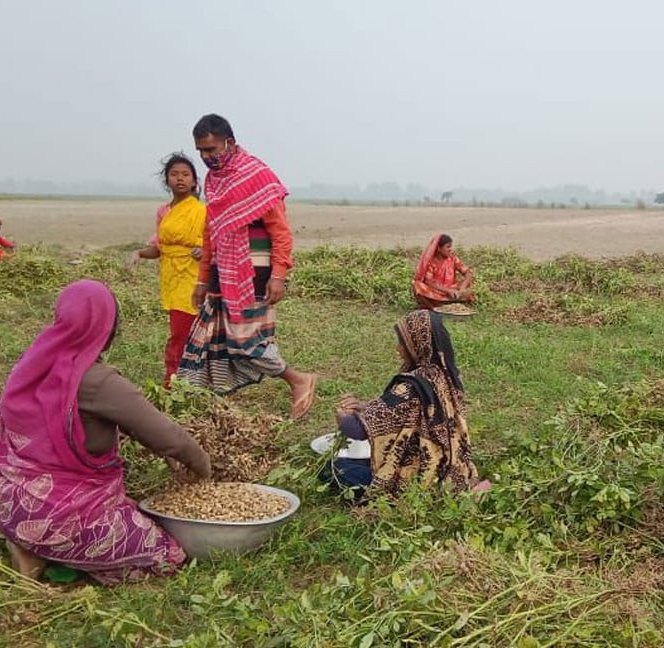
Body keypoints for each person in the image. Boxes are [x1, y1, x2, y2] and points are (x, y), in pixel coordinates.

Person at [0, 280, 211, 584]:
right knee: (166, 556)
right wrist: (202, 467)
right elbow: (170, 437)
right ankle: (58, 553)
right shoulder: (97, 381)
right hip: (61, 517)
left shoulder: (31, 366)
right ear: (108, 327)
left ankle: (30, 544)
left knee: (131, 509)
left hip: (13, 506)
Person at [177, 114, 317, 419]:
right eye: (201, 151)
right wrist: (202, 280)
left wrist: (279, 275)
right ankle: (213, 405)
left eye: (211, 150)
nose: (206, 157)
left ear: (230, 142)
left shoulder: (257, 176)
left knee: (245, 341)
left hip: (253, 272)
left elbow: (280, 231)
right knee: (216, 338)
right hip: (221, 269)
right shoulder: (215, 182)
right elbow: (210, 232)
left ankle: (298, 380)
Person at [324, 309, 483, 498]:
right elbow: (397, 412)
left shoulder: (410, 387)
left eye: (402, 343)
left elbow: (357, 431)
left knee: (334, 469)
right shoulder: (448, 378)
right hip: (449, 470)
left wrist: (343, 416)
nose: (398, 349)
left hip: (414, 478)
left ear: (417, 345)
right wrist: (364, 407)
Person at [126, 153, 206, 387]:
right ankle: (180, 380)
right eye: (174, 174)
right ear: (166, 180)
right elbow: (160, 247)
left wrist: (204, 250)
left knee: (184, 333)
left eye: (185, 175)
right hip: (171, 276)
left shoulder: (202, 211)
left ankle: (174, 381)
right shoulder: (163, 212)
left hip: (195, 276)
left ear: (194, 181)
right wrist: (139, 253)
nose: (180, 179)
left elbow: (215, 243)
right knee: (179, 328)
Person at [412, 233, 475, 309]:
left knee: (470, 283)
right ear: (439, 248)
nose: (450, 249)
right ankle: (438, 306)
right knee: (417, 285)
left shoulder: (453, 258)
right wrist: (448, 291)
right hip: (437, 291)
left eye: (451, 247)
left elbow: (467, 273)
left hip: (453, 289)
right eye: (448, 247)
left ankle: (445, 302)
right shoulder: (432, 262)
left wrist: (462, 288)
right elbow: (429, 282)